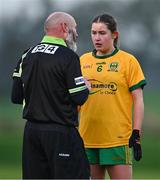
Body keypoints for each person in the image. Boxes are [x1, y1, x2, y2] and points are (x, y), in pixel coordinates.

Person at [11, 11, 90, 179]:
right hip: (61, 133)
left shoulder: (26, 54)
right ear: (64, 27)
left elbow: (16, 96)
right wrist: (85, 87)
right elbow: (79, 97)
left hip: (31, 134)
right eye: (75, 28)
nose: (76, 34)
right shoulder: (68, 56)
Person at [79, 13, 147, 179]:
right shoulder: (82, 61)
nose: (97, 38)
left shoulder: (128, 61)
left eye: (102, 33)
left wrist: (136, 132)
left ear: (114, 35)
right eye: (94, 33)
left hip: (116, 140)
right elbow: (76, 100)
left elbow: (138, 100)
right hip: (87, 139)